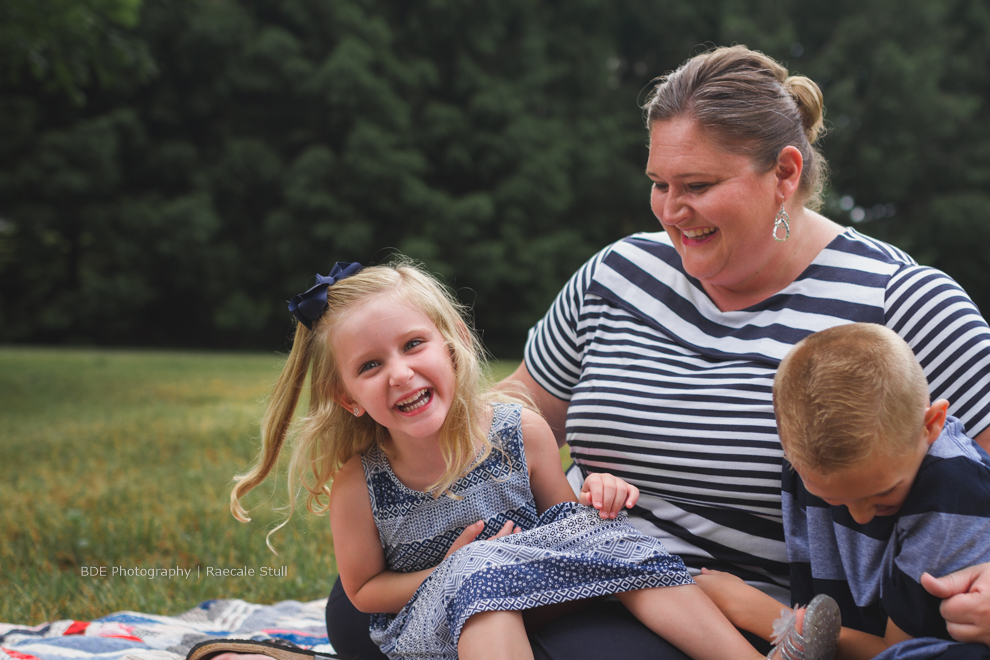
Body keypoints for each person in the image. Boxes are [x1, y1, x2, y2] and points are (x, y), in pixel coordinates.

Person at [323, 45, 990, 659]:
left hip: (719, 610)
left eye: (696, 186)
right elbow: (515, 410)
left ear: (785, 172)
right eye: (659, 183)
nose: (671, 211)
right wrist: (404, 449)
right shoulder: (618, 274)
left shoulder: (901, 305)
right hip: (571, 557)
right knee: (360, 608)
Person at [229, 261, 815, 660]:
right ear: (347, 399)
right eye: (369, 366)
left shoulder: (518, 430)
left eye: (413, 345)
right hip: (441, 620)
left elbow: (567, 525)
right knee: (481, 577)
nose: (401, 373)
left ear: (453, 341)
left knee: (606, 537)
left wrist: (598, 497)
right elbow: (364, 591)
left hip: (546, 588)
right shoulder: (364, 483)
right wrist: (447, 569)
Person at [695, 323, 990, 660]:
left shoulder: (954, 494)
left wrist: (761, 614)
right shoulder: (816, 460)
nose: (860, 515)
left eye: (882, 495)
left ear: (931, 425)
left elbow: (897, 651)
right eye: (833, 500)